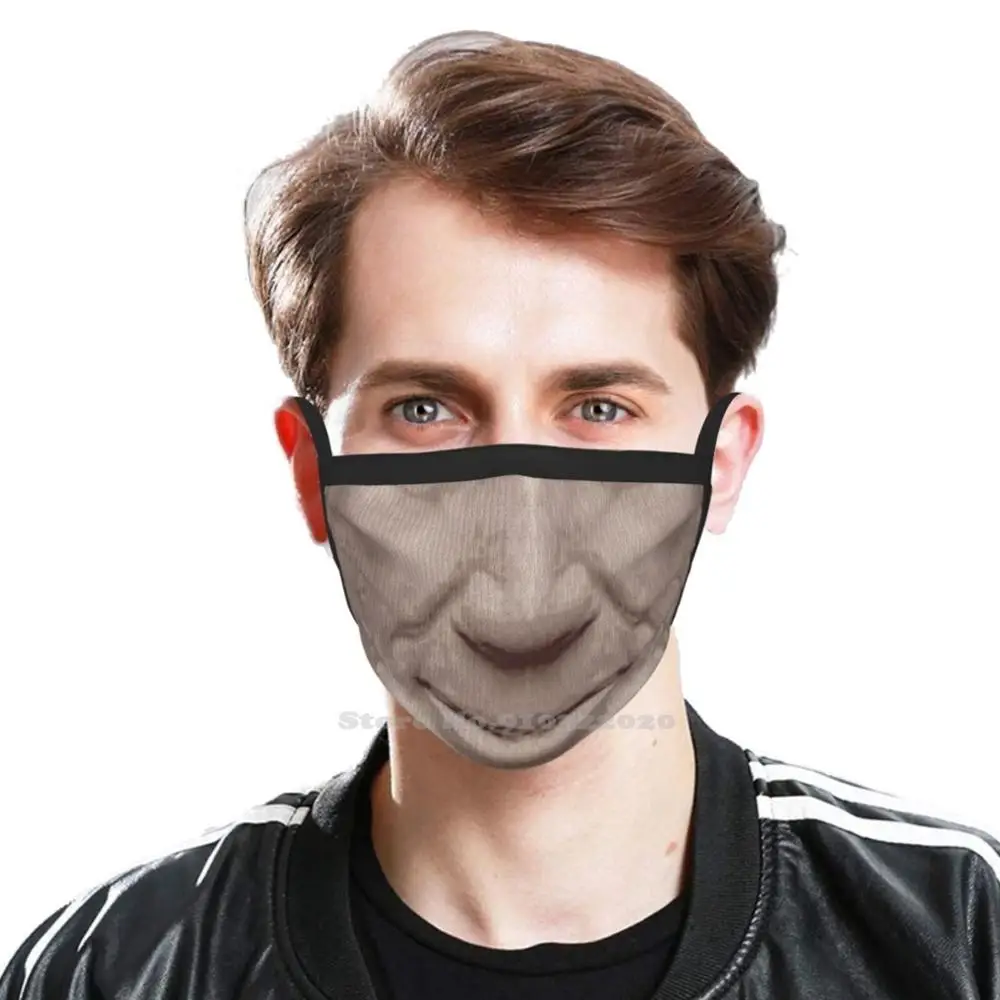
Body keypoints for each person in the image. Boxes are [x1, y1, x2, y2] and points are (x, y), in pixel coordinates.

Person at [3, 28, 998, 1000]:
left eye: (598, 408)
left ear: (722, 465)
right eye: (424, 409)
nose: (519, 529)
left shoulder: (964, 937)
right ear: (312, 474)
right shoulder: (105, 972)